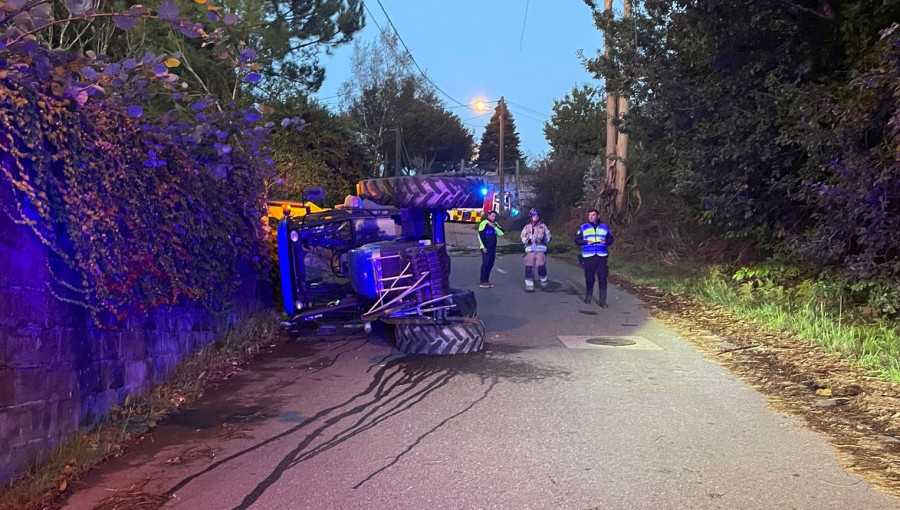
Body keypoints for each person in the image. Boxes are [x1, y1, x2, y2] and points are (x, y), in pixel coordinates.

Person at [574, 209, 614, 307]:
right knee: (590, 278)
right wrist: (586, 242)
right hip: (588, 256)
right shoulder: (583, 228)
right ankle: (589, 295)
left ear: (598, 216)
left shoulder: (604, 227)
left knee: (602, 278)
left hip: (601, 256)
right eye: (589, 215)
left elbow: (611, 239)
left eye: (593, 215)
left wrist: (606, 241)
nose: (591, 217)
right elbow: (577, 241)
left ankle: (602, 301)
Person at [520, 209, 551, 292]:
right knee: (529, 268)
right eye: (534, 216)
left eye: (537, 216)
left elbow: (549, 236)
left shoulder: (543, 226)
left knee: (541, 267)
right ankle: (529, 287)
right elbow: (522, 237)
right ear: (531, 217)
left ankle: (544, 284)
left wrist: (544, 240)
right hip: (530, 250)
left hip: (540, 250)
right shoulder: (526, 227)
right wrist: (528, 241)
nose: (536, 217)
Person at [478, 210, 504, 288]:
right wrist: (483, 246)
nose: (494, 217)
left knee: (490, 264)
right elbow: (480, 235)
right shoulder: (484, 223)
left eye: (495, 216)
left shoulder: (495, 224)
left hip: (493, 247)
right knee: (485, 264)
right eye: (492, 216)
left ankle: (487, 280)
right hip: (486, 247)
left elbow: (501, 233)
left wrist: (494, 227)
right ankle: (483, 281)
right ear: (488, 216)